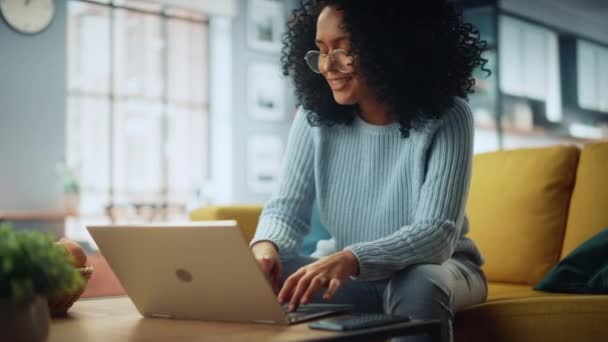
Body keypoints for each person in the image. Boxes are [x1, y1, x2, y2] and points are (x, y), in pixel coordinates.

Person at [250, 1, 488, 341]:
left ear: (388, 46)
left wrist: (351, 258)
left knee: (419, 281)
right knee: (260, 278)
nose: (328, 66)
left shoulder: (449, 116)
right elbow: (285, 210)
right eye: (320, 51)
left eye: (343, 50)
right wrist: (265, 248)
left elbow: (436, 235)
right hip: (354, 277)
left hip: (441, 270)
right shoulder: (313, 117)